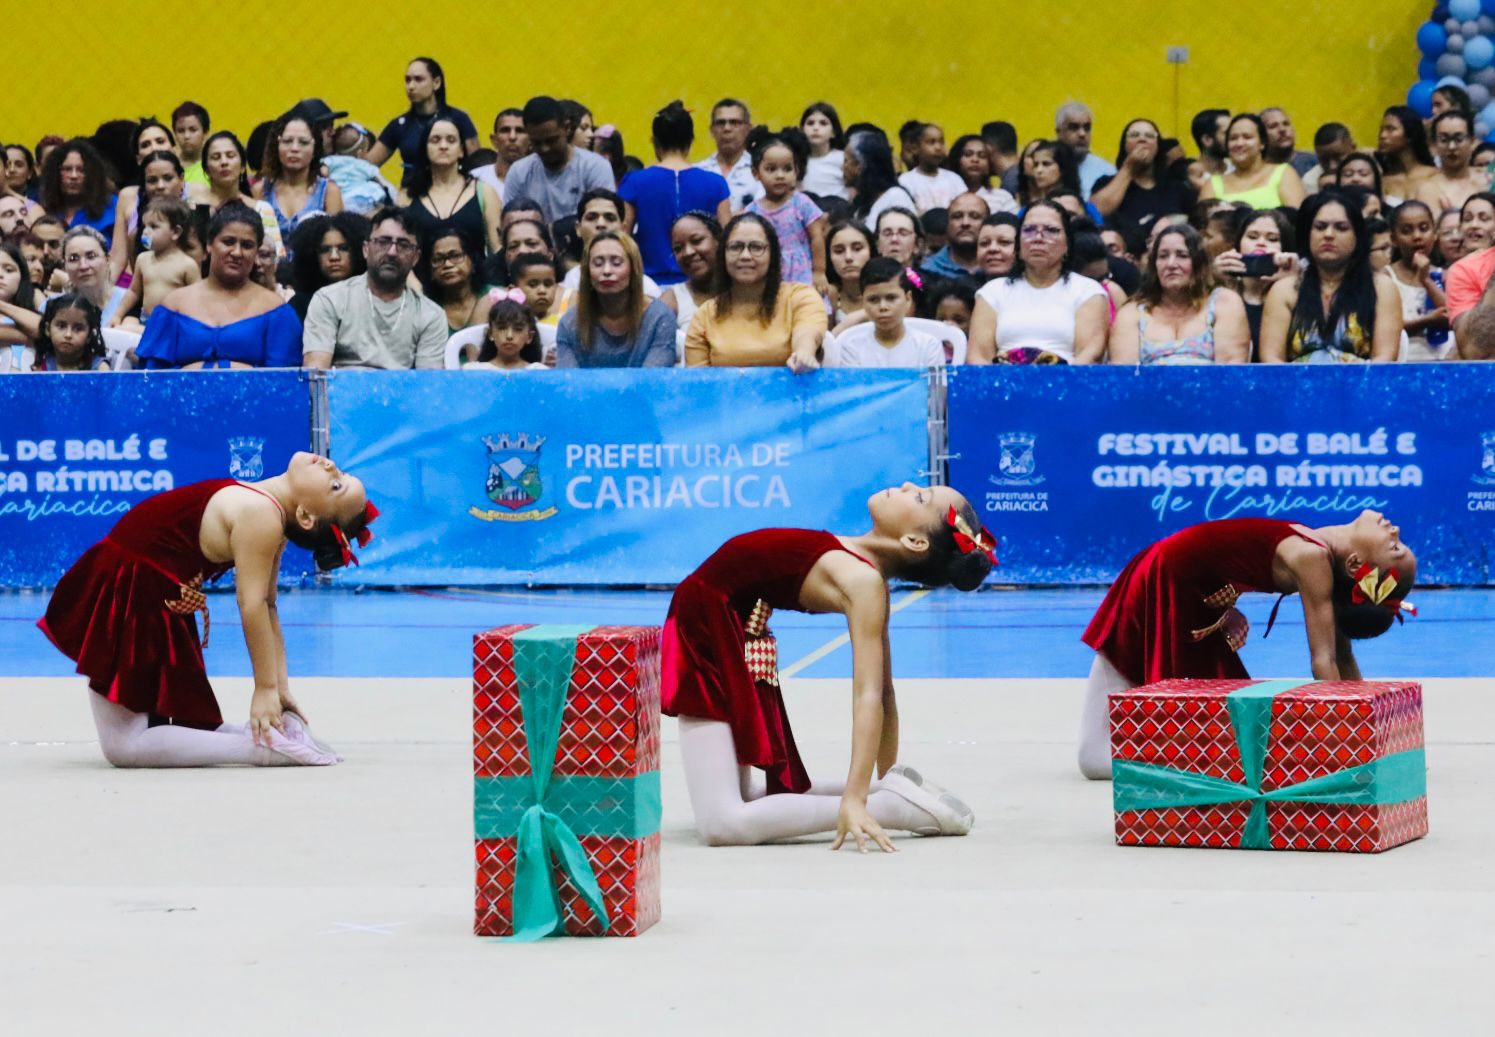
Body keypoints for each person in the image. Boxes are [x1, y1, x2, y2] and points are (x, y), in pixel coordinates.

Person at [663, 483, 989, 848]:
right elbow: (884, 694)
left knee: (722, 824)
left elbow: (873, 695)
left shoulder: (863, 581)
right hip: (724, 628)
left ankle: (891, 808)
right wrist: (888, 778)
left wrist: (858, 800)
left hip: (710, 628)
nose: (908, 486)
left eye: (920, 498)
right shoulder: (862, 568)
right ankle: (891, 795)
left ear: (914, 542)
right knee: (747, 797)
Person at [39, 453, 373, 768]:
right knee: (178, 724)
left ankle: (263, 750)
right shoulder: (267, 509)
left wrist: (269, 689)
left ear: (305, 516)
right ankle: (270, 739)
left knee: (124, 744)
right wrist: (277, 687)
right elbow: (267, 604)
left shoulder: (263, 514)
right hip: (147, 589)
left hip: (140, 592)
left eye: (336, 486)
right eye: (342, 473)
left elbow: (256, 604)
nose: (331, 468)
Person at [1077, 512, 1416, 780]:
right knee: (1210, 736)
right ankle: (1115, 756)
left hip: (1177, 582)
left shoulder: (1313, 557)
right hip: (1172, 580)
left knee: (1225, 743)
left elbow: (1330, 657)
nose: (1395, 530)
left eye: (1395, 547)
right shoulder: (1315, 552)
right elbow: (1336, 656)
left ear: (1355, 564)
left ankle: (1119, 756)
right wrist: (1354, 741)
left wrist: (1353, 742)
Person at [136, 203, 302, 369]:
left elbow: (285, 379)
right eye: (228, 242)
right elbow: (149, 376)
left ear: (256, 251)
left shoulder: (276, 310)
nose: (237, 252)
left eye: (247, 245)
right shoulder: (174, 305)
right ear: (209, 244)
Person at [1259, 192, 1401, 363]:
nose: (1328, 234)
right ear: (1307, 234)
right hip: (1295, 381)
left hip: (1363, 380)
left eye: (1341, 227)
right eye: (1320, 227)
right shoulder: (1284, 291)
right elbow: (1271, 359)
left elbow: (1385, 359)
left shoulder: (1382, 288)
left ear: (1357, 236)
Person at [302, 207, 445, 369]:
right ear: (366, 249)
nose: (392, 252)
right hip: (341, 386)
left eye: (403, 245)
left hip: (403, 386)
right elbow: (316, 374)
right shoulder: (330, 299)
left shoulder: (431, 315)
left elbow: (427, 382)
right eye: (383, 242)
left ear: (416, 257)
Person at [968, 200, 1107, 364]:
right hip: (1001, 378)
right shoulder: (993, 291)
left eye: (1051, 230)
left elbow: (1089, 354)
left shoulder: (1088, 291)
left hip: (1067, 377)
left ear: (1067, 244)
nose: (1038, 238)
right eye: (1029, 230)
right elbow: (978, 357)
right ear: (1018, 244)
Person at [685, 212, 827, 370]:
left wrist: (804, 352)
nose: (745, 256)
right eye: (735, 247)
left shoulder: (800, 297)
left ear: (772, 255)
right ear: (723, 255)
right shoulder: (704, 315)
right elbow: (698, 378)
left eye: (756, 247)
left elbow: (808, 332)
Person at [615, 102, 730, 287]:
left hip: (650, 285)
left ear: (655, 142)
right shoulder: (716, 183)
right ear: (691, 140)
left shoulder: (634, 182)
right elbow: (727, 239)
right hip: (703, 284)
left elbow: (622, 237)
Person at [1108, 223, 1249, 364]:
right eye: (1163, 256)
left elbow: (1230, 371)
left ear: (1199, 262)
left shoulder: (1224, 303)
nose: (1171, 264)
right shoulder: (1132, 313)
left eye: (1182, 255)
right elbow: (1124, 374)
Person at [555, 231, 675, 368]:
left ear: (634, 269)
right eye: (598, 263)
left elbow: (653, 378)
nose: (607, 271)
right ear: (587, 272)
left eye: (616, 263)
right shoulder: (569, 323)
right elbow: (569, 379)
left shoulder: (660, 318)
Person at [503, 96, 615, 226]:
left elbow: (602, 224)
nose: (545, 148)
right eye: (536, 143)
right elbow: (511, 224)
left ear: (567, 128)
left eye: (551, 140)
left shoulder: (595, 167)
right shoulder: (519, 172)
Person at [367, 57, 480, 184]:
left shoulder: (459, 119)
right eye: (408, 80)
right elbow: (365, 167)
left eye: (418, 79)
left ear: (436, 83)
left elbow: (478, 166)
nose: (411, 86)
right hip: (411, 193)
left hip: (452, 190)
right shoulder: (399, 125)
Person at [404, 116, 501, 254]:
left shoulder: (485, 192)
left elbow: (497, 250)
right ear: (425, 149)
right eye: (435, 140)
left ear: (461, 150)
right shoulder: (408, 194)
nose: (443, 146)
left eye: (451, 140)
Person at [746, 129, 826, 291]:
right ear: (756, 173)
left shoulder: (802, 203)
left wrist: (819, 272)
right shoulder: (752, 211)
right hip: (768, 276)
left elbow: (817, 237)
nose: (780, 175)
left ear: (796, 171)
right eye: (771, 169)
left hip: (802, 276)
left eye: (787, 169)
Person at [1212, 208, 1298, 356]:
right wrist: (1211, 279)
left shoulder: (1294, 289)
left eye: (1272, 239)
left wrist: (1293, 283)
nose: (1261, 243)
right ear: (1238, 245)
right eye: (1252, 237)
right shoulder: (1223, 290)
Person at [1091, 118, 1195, 237]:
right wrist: (1128, 168)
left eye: (1149, 136)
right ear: (1124, 145)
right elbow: (1095, 213)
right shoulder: (1105, 182)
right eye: (1134, 135)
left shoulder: (1177, 188)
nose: (1142, 139)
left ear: (1157, 146)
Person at [833, 258, 945, 368]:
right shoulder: (851, 348)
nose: (883, 307)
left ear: (908, 299)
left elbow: (936, 381)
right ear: (863, 303)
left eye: (891, 298)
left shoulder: (929, 346)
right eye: (873, 299)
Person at [188, 131, 284, 258]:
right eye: (216, 157)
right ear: (206, 170)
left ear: (243, 166)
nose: (224, 162)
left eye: (230, 156)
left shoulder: (261, 209)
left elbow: (276, 257)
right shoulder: (192, 206)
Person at [256, 112, 344, 248]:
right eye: (287, 141)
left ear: (315, 148)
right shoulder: (261, 190)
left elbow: (337, 244)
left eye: (303, 142)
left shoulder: (329, 192)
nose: (294, 148)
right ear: (277, 145)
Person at [110, 197, 201, 327]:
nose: (146, 231)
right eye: (145, 226)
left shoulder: (187, 265)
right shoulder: (143, 259)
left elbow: (198, 300)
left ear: (176, 232)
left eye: (153, 226)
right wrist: (117, 315)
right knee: (128, 322)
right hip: (146, 320)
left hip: (172, 324)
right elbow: (133, 292)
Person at [1385, 200, 1452, 362]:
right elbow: (1385, 331)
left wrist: (1426, 280)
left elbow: (1454, 318)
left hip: (1442, 362)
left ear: (1435, 234)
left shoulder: (1446, 275)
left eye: (1424, 228)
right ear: (1393, 238)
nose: (1417, 236)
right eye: (1406, 231)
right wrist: (1427, 321)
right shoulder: (1385, 277)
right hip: (1400, 364)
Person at [108, 149, 186, 277]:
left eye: (168, 178)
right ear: (144, 185)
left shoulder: (197, 218)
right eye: (152, 180)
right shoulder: (136, 232)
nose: (160, 186)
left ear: (181, 179)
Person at [1200, 114, 1305, 208]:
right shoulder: (1213, 184)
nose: (1239, 143)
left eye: (1247, 137)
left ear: (1262, 144)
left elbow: (1297, 217)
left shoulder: (1284, 173)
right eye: (1233, 138)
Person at [287, 213, 367, 321]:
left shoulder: (373, 299)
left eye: (343, 248)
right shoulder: (300, 305)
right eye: (324, 250)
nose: (334, 257)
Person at [40, 138, 118, 249]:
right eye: (67, 169)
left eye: (81, 170)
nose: (74, 176)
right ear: (55, 173)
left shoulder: (112, 206)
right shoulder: (43, 209)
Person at [1442, 192, 1495, 347]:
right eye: (1467, 219)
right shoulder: (1461, 270)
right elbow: (1471, 348)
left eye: (1484, 219)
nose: (1474, 225)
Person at [695, 98, 762, 213]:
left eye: (734, 122)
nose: (727, 128)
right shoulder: (698, 171)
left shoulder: (760, 171)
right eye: (721, 123)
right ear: (712, 130)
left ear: (748, 129)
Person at [420, 230, 493, 334]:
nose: (447, 264)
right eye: (438, 259)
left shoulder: (497, 296)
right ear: (430, 271)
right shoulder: (425, 309)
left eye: (455, 256)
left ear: (472, 261)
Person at [1416, 111, 1489, 214]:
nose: (1451, 147)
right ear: (1434, 144)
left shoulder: (1488, 178)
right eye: (1444, 140)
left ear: (1472, 141)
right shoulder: (1428, 189)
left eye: (1459, 139)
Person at [660, 211, 722, 326]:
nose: (688, 252)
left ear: (718, 240)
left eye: (697, 241)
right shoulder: (671, 302)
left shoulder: (743, 292)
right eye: (678, 248)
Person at [844, 131, 916, 229]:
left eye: (846, 161)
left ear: (859, 166)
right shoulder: (863, 202)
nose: (842, 167)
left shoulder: (896, 198)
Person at [60, 227, 128, 327]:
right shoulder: (53, 307)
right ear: (64, 266)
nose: (83, 266)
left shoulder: (129, 301)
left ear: (107, 260)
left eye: (91, 256)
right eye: (73, 258)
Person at [324, 124, 398, 215]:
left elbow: (323, 171)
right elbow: (379, 179)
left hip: (340, 200)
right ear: (359, 153)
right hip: (361, 199)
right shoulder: (364, 165)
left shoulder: (330, 160)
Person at [897, 123, 968, 214]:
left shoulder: (954, 179)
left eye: (941, 142)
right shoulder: (906, 180)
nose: (938, 148)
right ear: (915, 148)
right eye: (931, 142)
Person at [30, 292, 111, 371]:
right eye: (61, 326)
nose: (68, 335)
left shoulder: (100, 369)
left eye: (78, 329)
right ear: (48, 329)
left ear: (89, 335)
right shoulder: (40, 367)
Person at [467, 292, 546, 370]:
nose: (509, 336)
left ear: (529, 336)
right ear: (490, 333)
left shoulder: (538, 371)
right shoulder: (476, 370)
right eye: (502, 328)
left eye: (518, 329)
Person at [944, 134, 1017, 216]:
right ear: (957, 160)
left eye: (982, 156)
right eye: (968, 154)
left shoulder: (1003, 198)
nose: (975, 159)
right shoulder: (943, 194)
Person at [1377, 106, 1438, 202]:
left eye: (1391, 129)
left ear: (1410, 135)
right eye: (1381, 130)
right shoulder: (1382, 182)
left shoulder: (1434, 175)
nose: (1382, 136)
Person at [1055, 101, 1116, 197]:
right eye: (1074, 127)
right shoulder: (1043, 167)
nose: (1082, 134)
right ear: (1059, 132)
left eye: (1087, 128)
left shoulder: (1106, 171)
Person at [923, 193, 987, 278]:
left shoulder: (1000, 267)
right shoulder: (926, 270)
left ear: (987, 223)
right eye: (957, 216)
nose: (965, 223)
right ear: (947, 223)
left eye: (974, 216)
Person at [825, 220, 876, 327]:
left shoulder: (889, 289)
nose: (848, 257)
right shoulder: (827, 295)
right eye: (839, 251)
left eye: (857, 249)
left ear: (871, 251)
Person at [0, 241, 42, 364]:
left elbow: (44, 329)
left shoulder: (30, 314)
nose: (0, 275)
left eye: (8, 270)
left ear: (22, 277)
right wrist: (28, 337)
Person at [473, 107, 529, 196]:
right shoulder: (474, 180)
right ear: (494, 140)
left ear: (531, 140)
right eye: (505, 130)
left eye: (519, 130)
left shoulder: (541, 180)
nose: (512, 137)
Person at [1016, 139, 1084, 209]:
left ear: (1063, 168)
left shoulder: (1079, 208)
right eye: (1036, 165)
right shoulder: (1027, 209)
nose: (1039, 170)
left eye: (1046, 164)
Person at [800, 102, 848, 199]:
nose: (815, 128)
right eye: (810, 123)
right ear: (802, 130)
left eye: (823, 123)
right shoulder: (796, 160)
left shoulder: (844, 159)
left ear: (833, 132)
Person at [1259, 107, 1316, 176]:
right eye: (1273, 126)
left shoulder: (1315, 164)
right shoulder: (1256, 172)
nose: (1282, 129)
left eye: (1286, 124)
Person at [1302, 122, 1357, 193]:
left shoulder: (1369, 168)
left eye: (1338, 157)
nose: (1332, 166)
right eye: (1324, 159)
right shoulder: (1310, 182)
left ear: (1353, 148)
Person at [170, 102, 210, 186]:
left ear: (205, 133)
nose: (186, 136)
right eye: (181, 131)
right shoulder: (169, 166)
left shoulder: (212, 167)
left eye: (193, 130)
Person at [975, 213, 1020, 281]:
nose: (992, 248)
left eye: (1004, 242)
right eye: (984, 243)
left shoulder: (1034, 286)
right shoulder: (962, 286)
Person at [1190, 108, 1231, 177]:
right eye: (1227, 133)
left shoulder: (1240, 170)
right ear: (1207, 140)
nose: (1235, 138)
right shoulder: (1192, 178)